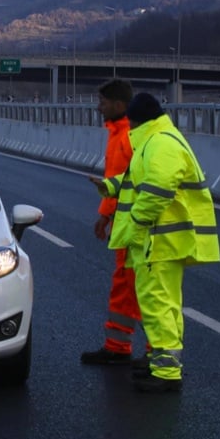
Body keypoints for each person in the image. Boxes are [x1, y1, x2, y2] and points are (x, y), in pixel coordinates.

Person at [92, 93, 220, 393]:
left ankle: (165, 373)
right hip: (162, 241)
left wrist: (136, 223)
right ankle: (158, 360)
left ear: (137, 120)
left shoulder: (160, 143)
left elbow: (157, 191)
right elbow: (137, 178)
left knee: (158, 303)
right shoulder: (155, 140)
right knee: (166, 304)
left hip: (158, 241)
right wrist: (110, 186)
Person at [81, 79, 145, 367]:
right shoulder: (116, 134)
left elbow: (137, 183)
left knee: (146, 290)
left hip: (139, 227)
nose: (98, 108)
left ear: (119, 105)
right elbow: (117, 182)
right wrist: (106, 215)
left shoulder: (132, 136)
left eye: (103, 103)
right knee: (124, 284)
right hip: (124, 224)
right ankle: (117, 346)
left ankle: (159, 356)